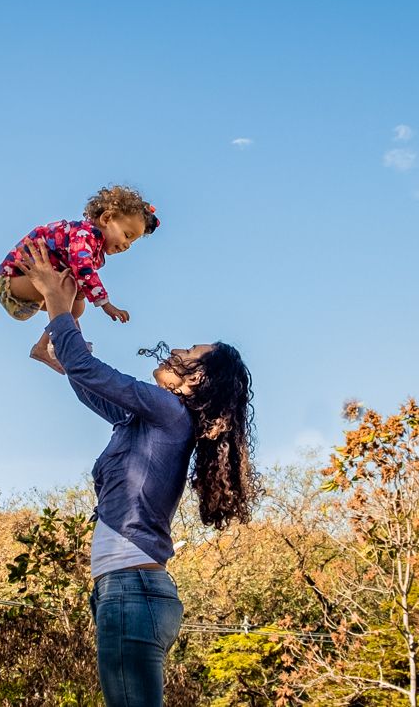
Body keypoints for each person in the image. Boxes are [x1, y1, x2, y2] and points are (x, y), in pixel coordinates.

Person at [16, 238, 259, 707]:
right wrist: (61, 360)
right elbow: (96, 389)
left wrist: (57, 306)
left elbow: (91, 370)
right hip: (125, 591)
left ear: (197, 379)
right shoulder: (150, 421)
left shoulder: (169, 411)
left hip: (134, 591)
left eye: (191, 351)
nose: (178, 349)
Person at [0, 185, 159, 373]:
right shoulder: (83, 234)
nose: (127, 245)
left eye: (132, 242)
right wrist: (106, 304)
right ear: (106, 218)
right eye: (127, 235)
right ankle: (60, 343)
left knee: (78, 306)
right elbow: (83, 269)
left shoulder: (95, 248)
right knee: (70, 282)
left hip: (37, 289)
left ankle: (57, 345)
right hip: (13, 282)